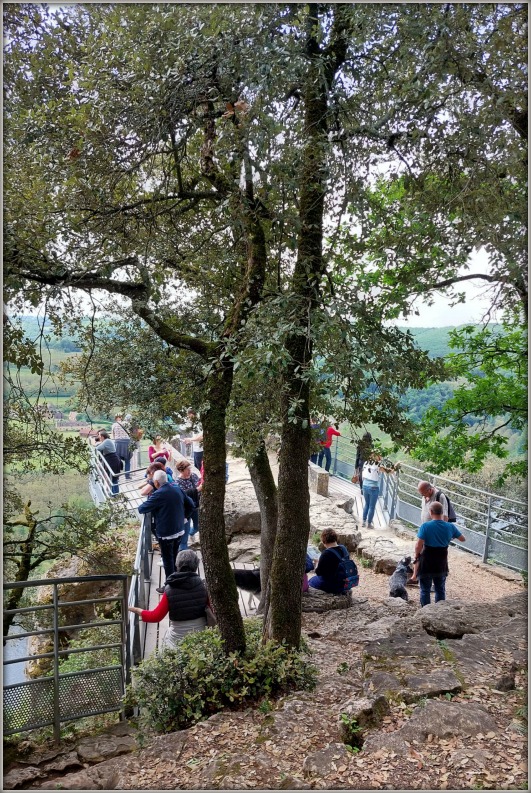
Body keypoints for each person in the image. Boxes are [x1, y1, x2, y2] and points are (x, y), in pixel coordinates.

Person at [128, 550, 209, 648]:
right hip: (203, 638)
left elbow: (155, 617)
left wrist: (135, 609)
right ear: (196, 566)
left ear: (177, 565)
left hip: (178, 640)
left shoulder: (170, 590)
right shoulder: (204, 586)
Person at [138, 470, 194, 583]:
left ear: (157, 482)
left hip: (166, 533)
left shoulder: (159, 494)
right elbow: (191, 505)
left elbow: (141, 508)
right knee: (174, 556)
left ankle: (171, 584)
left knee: (168, 560)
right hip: (179, 530)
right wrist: (184, 518)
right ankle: (177, 579)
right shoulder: (177, 488)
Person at [412, 501, 465, 606]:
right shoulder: (450, 527)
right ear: (442, 512)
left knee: (425, 590)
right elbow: (463, 539)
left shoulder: (425, 526)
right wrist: (450, 536)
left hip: (427, 561)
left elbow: (418, 545)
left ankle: (425, 611)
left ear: (431, 512)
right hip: (441, 562)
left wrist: (416, 555)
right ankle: (440, 610)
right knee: (440, 589)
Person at [308, 529, 350, 595]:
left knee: (311, 581)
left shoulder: (326, 553)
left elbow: (318, 572)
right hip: (344, 582)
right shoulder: (343, 548)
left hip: (332, 584)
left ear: (324, 541)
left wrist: (317, 563)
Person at [174, 459, 202, 550]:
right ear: (181, 470)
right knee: (184, 536)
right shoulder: (178, 482)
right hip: (185, 510)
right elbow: (183, 494)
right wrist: (197, 489)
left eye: (190, 468)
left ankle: (191, 532)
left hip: (195, 506)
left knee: (197, 527)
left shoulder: (193, 476)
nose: (189, 471)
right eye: (187, 469)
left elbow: (199, 484)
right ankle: (183, 553)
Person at [94, 429, 122, 495]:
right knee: (112, 478)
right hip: (112, 460)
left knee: (113, 479)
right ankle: (114, 494)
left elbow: (98, 448)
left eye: (99, 436)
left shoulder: (107, 441)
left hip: (113, 460)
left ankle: (115, 494)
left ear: (102, 436)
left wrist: (96, 444)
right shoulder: (107, 441)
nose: (98, 437)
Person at [361, 455, 383, 529]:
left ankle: (363, 522)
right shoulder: (378, 465)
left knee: (366, 504)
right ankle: (369, 524)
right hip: (373, 487)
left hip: (365, 485)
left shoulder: (366, 462)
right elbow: (389, 471)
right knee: (371, 507)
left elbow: (363, 475)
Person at [111, 413, 132, 480]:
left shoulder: (114, 425)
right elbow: (131, 434)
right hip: (127, 443)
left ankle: (117, 477)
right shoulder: (127, 424)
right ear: (122, 417)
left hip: (118, 443)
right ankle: (127, 476)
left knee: (118, 461)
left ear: (115, 418)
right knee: (127, 461)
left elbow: (113, 436)